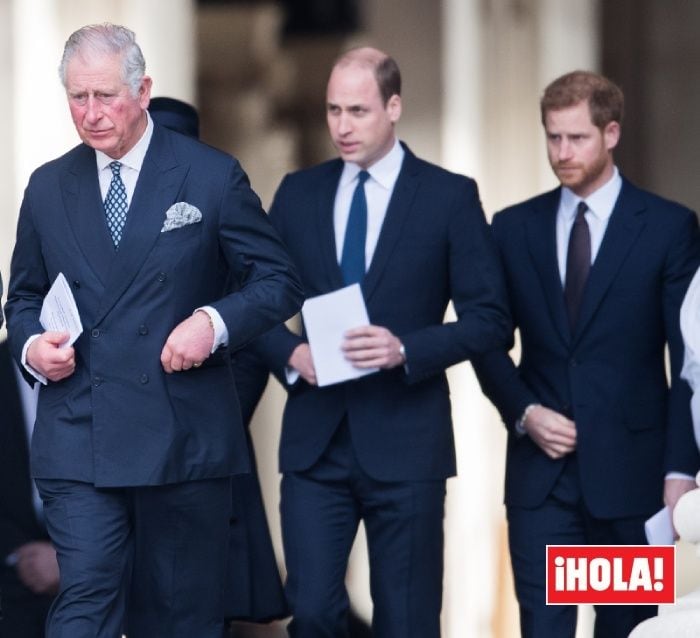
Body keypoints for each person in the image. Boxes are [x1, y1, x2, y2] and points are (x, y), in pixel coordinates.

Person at [4, 23, 302, 638]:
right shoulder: (47, 186)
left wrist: (212, 323)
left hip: (181, 435)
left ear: (143, 90)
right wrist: (34, 345)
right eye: (77, 97)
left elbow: (277, 281)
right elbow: (23, 297)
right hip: (79, 434)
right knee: (84, 605)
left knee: (179, 619)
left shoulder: (211, 177)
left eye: (105, 96)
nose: (91, 114)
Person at [251, 47, 510, 637]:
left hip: (407, 442)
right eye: (333, 110)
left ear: (393, 106)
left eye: (359, 111)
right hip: (317, 443)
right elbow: (251, 300)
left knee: (409, 621)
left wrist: (406, 349)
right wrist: (290, 354)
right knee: (313, 612)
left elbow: (491, 320)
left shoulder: (449, 197)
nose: (342, 126)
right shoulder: (298, 193)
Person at [472, 70, 700, 638]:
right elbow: (485, 337)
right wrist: (523, 412)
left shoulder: (668, 229)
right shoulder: (512, 227)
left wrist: (680, 471)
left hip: (632, 483)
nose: (562, 152)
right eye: (553, 138)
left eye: (577, 138)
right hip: (542, 483)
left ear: (612, 133)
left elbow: (689, 360)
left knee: (625, 632)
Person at [146, 95, 289, 628]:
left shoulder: (221, 217)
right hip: (126, 450)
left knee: (206, 603)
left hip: (206, 447)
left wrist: (213, 407)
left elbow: (259, 321)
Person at [0, 338, 58, 638]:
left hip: (95, 566)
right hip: (9, 571)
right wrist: (18, 554)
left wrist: (67, 560)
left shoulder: (103, 366)